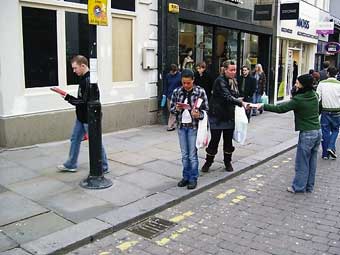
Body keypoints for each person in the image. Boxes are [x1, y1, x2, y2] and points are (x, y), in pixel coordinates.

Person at [257, 74, 321, 193]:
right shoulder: (315, 95)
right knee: (312, 161)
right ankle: (309, 186)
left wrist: (263, 105)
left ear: (303, 85)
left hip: (307, 133)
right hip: (317, 131)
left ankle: (298, 187)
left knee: (302, 162)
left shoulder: (298, 100)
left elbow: (280, 109)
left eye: (297, 83)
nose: (295, 85)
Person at [57, 55, 109, 173]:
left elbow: (83, 102)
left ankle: (104, 166)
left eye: (75, 68)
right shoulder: (85, 79)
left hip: (88, 118)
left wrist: (67, 97)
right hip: (81, 118)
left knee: (96, 142)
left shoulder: (89, 80)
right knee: (75, 139)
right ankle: (71, 164)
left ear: (83, 65)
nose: (74, 71)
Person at [201, 60, 248, 173]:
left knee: (228, 142)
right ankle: (208, 162)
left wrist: (239, 99)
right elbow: (227, 96)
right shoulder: (220, 81)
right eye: (231, 70)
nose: (233, 72)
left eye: (235, 70)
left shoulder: (234, 81)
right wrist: (240, 102)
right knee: (214, 141)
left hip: (229, 115)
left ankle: (228, 162)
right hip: (217, 116)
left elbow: (236, 94)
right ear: (225, 70)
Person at [170, 69, 209, 189]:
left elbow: (206, 109)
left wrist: (199, 114)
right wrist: (177, 108)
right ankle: (185, 177)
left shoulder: (200, 91)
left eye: (188, 83)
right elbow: (171, 109)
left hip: (193, 127)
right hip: (182, 127)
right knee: (184, 154)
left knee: (192, 154)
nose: (186, 85)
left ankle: (193, 178)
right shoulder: (177, 91)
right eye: (183, 83)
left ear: (193, 80)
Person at [316, 66, 340, 160]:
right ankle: (331, 147)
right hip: (337, 111)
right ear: (336, 74)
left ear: (328, 73)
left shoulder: (322, 83)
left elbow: (317, 97)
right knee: (335, 130)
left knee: (325, 131)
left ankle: (325, 154)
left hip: (325, 110)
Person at [163, 64, 182, 131]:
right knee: (171, 111)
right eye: (171, 71)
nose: (173, 73)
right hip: (169, 95)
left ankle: (170, 125)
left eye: (174, 71)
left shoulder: (180, 75)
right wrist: (164, 94)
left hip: (178, 96)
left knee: (173, 111)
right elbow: (166, 85)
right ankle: (174, 123)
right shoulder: (168, 76)